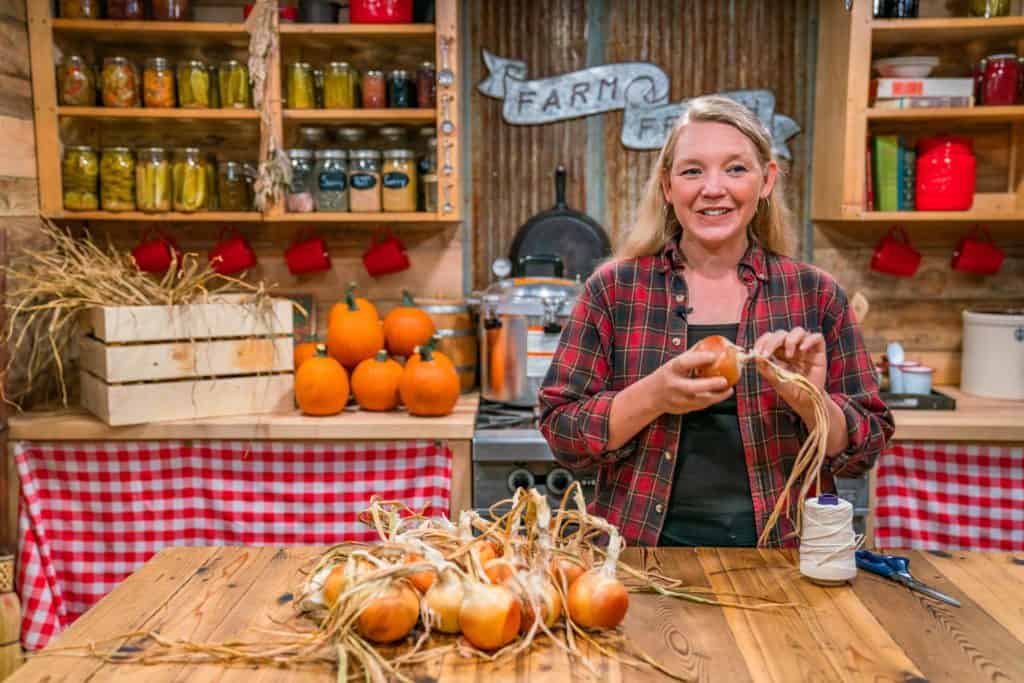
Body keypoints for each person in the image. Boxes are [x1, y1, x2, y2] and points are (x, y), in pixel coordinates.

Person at [538, 95, 894, 548]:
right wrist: (653, 395)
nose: (713, 188)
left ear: (766, 180)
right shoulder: (614, 290)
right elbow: (562, 431)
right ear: (667, 186)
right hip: (641, 562)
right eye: (692, 171)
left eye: (735, 168)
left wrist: (809, 398)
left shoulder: (815, 293)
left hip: (785, 560)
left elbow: (866, 447)